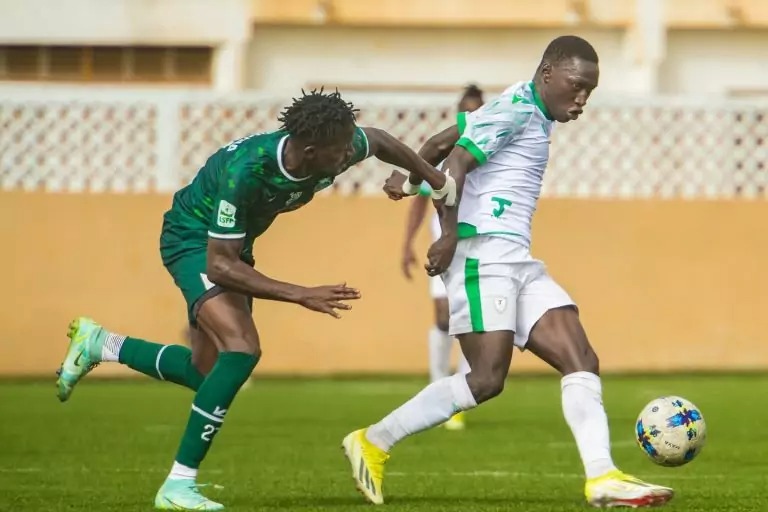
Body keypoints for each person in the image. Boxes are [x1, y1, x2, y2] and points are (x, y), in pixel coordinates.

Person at [55, 88, 454, 511]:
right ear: (311, 151)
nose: (347, 158)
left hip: (231, 248)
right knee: (242, 348)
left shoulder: (334, 144)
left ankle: (101, 344)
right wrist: (301, 294)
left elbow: (380, 140)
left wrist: (433, 179)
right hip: (193, 242)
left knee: (206, 372)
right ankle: (177, 484)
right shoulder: (246, 171)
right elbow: (220, 266)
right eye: (340, 152)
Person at [342, 36, 675, 508]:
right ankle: (373, 440)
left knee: (580, 356)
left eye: (590, 90)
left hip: (516, 258)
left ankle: (603, 478)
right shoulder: (518, 110)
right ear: (548, 74)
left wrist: (411, 181)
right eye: (577, 85)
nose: (582, 98)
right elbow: (457, 161)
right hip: (483, 255)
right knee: (485, 379)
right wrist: (449, 233)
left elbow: (439, 143)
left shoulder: (524, 106)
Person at [400, 84, 484, 431]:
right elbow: (419, 202)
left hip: (475, 246)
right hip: (443, 246)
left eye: (477, 109)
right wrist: (407, 244)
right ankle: (437, 387)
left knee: (468, 320)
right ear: (458, 112)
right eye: (467, 110)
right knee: (443, 316)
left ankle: (457, 396)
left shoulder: (489, 149)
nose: (472, 115)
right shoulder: (442, 151)